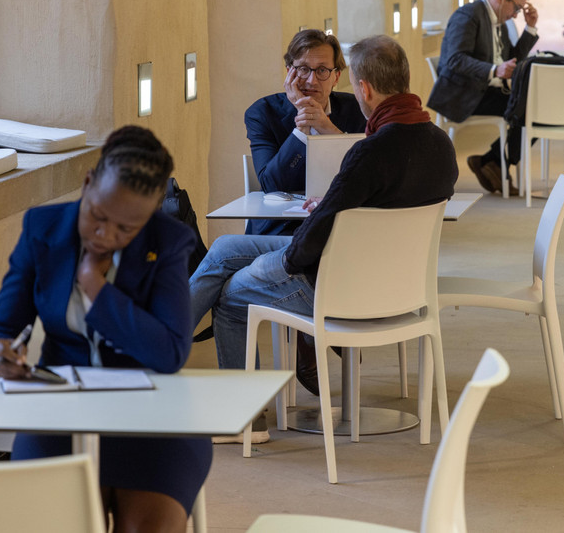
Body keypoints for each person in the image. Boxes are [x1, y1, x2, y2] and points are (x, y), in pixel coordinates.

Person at [189, 36, 457, 428]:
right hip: (403, 285)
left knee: (230, 298)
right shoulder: (440, 143)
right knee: (227, 248)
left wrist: (279, 263)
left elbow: (313, 241)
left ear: (361, 87)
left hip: (339, 284)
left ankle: (242, 419)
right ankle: (162, 344)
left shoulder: (370, 152)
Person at [0, 126, 208, 533]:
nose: (107, 235)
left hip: (154, 420)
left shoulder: (169, 242)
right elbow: (1, 327)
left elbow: (170, 351)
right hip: (61, 414)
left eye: (127, 229)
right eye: (98, 217)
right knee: (51, 524)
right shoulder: (42, 230)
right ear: (87, 184)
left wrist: (95, 287)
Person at [243, 29, 367, 236]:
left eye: (322, 71)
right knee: (222, 249)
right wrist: (303, 127)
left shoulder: (358, 110)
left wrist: (326, 127)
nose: (311, 80)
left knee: (223, 254)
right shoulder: (262, 113)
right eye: (303, 69)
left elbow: (367, 174)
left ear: (336, 76)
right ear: (289, 71)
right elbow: (272, 185)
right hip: (280, 230)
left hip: (343, 229)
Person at [426, 0, 537, 195]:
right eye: (515, 8)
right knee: (530, 108)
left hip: (486, 91)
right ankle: (494, 163)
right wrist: (494, 70)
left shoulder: (499, 21)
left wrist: (530, 28)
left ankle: (490, 162)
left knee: (535, 106)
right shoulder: (468, 15)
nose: (515, 15)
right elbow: (455, 59)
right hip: (464, 94)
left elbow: (512, 57)